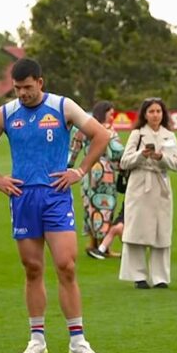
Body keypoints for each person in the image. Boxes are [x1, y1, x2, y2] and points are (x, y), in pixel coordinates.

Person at [0, 58, 109, 353]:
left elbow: (101, 135)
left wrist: (80, 170)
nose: (22, 94)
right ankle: (37, 339)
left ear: (40, 82)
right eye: (18, 88)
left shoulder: (63, 107)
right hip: (23, 198)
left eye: (28, 87)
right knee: (32, 268)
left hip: (56, 196)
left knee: (66, 265)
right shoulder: (7, 113)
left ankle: (78, 340)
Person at [118, 97, 177, 289]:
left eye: (158, 111)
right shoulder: (137, 134)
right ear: (144, 115)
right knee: (137, 230)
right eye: (151, 111)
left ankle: (160, 277)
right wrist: (141, 155)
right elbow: (124, 161)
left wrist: (161, 157)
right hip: (139, 184)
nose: (155, 115)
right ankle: (138, 275)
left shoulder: (169, 136)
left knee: (161, 230)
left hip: (161, 184)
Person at [68, 100, 125, 260]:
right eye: (111, 114)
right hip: (104, 176)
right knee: (105, 208)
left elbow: (72, 152)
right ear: (104, 113)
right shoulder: (108, 131)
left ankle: (92, 243)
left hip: (86, 174)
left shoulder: (82, 129)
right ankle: (104, 247)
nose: (113, 118)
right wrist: (125, 167)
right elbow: (117, 154)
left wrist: (69, 168)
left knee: (91, 208)